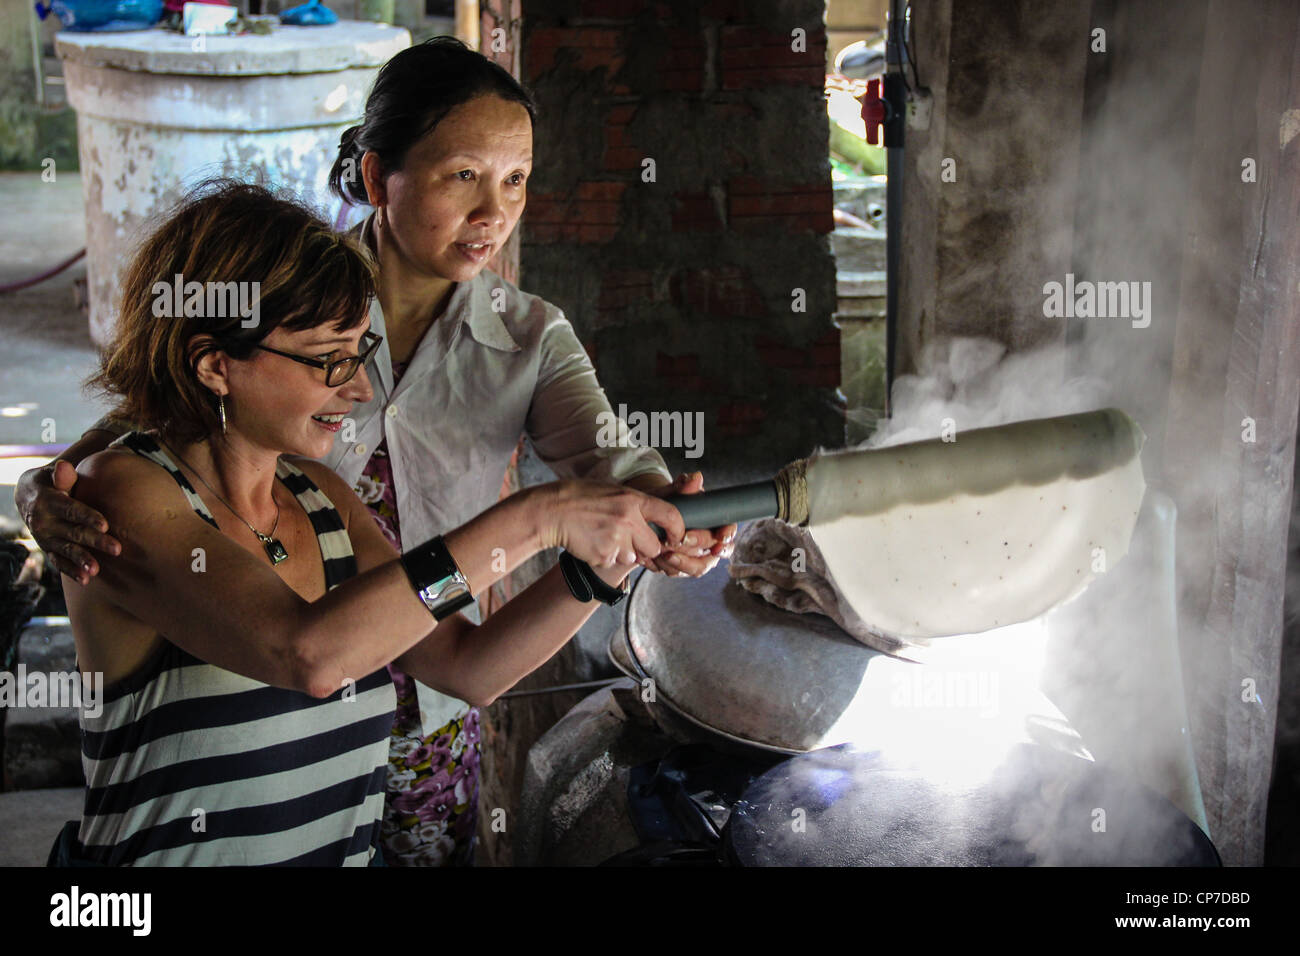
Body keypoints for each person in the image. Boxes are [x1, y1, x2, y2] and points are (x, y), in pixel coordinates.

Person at [16, 37, 734, 867]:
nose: (495, 211)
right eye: (462, 174)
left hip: (408, 718)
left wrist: (620, 545)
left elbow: (472, 659)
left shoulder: (330, 497)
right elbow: (306, 647)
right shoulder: (290, 296)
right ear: (372, 177)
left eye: (516, 179)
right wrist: (42, 490)